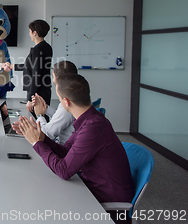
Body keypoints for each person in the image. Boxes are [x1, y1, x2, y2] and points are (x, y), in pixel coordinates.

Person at [13, 74, 134, 210]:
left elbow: (64, 170)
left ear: (66, 102)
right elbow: (66, 152)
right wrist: (41, 137)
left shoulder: (92, 128)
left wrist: (37, 143)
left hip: (105, 202)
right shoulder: (89, 119)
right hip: (90, 188)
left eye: (59, 99)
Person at [31, 60, 78, 144]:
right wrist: (44, 107)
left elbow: (47, 134)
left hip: (62, 149)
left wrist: (39, 115)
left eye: (53, 76)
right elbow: (60, 116)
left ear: (58, 78)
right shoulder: (75, 96)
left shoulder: (67, 105)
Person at [23, 19, 53, 113]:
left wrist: (30, 99)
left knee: (38, 122)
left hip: (38, 93)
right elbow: (33, 66)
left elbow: (36, 74)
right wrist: (13, 66)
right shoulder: (47, 47)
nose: (29, 34)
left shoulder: (37, 49)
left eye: (30, 31)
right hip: (44, 89)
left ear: (35, 33)